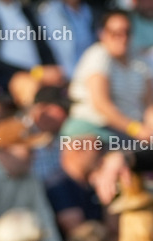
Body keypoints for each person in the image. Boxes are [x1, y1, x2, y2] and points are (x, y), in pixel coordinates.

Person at [62, 11, 153, 145]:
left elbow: (149, 104)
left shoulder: (140, 61)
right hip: (95, 129)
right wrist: (135, 129)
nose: (122, 38)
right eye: (115, 33)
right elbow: (101, 103)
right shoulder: (98, 55)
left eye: (126, 32)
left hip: (129, 133)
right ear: (102, 34)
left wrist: (149, 130)